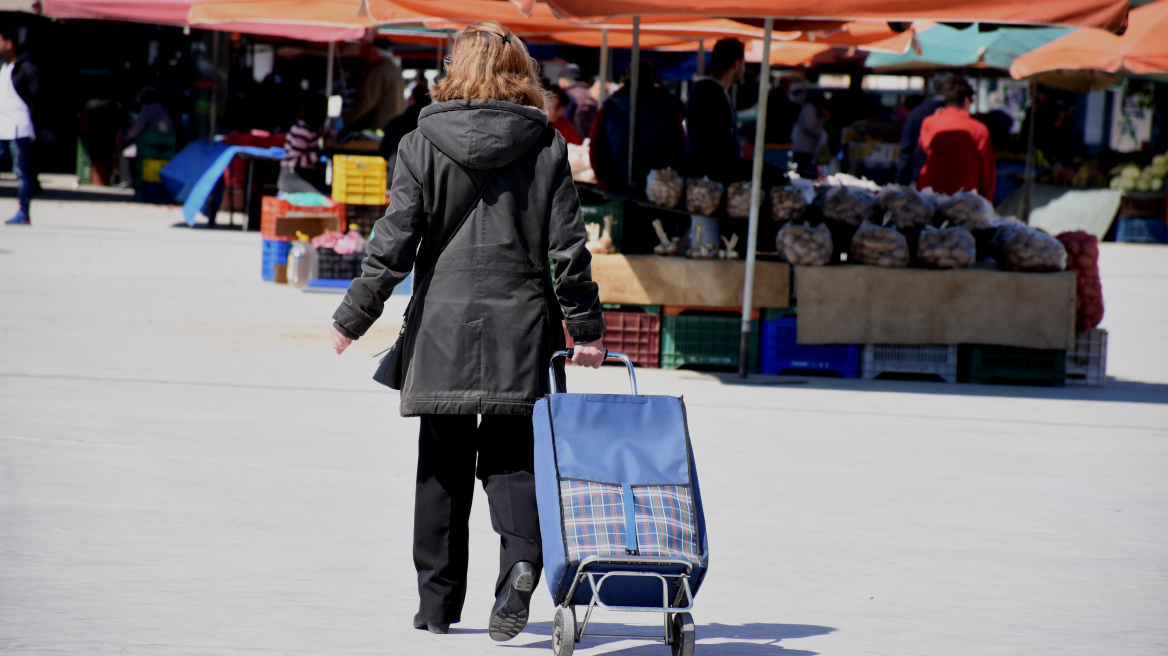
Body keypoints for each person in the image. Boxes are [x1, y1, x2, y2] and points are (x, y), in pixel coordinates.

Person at [328, 20, 606, 642]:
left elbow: (394, 240)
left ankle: (435, 607)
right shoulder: (547, 145)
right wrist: (585, 328)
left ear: (457, 68)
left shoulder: (420, 142)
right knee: (512, 461)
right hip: (522, 324)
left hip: (442, 327)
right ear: (520, 72)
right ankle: (522, 562)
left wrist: (354, 314)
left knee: (441, 466)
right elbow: (568, 251)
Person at [588, 60, 685, 194]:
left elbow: (596, 150)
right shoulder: (669, 107)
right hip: (659, 188)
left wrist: (606, 183)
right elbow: (679, 148)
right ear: (652, 78)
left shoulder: (609, 108)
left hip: (618, 185)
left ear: (625, 78)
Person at [918, 77, 996, 199]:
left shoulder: (929, 122)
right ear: (966, 101)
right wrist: (985, 201)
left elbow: (924, 146)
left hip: (931, 195)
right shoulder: (979, 129)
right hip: (966, 198)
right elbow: (987, 172)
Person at [685, 38, 750, 182]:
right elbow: (705, 145)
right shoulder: (710, 95)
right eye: (744, 64)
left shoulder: (711, 92)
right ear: (736, 64)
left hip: (711, 181)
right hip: (710, 184)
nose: (744, 69)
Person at [0, 26, 39, 225]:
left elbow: (37, 97)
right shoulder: (4, 68)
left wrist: (31, 120)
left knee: (21, 171)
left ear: (9, 43)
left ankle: (24, 212)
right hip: (2, 128)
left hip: (18, 128)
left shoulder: (26, 67)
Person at [894, 72, 950, 186]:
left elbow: (906, 150)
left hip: (919, 177)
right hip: (949, 181)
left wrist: (900, 182)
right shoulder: (955, 116)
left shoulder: (917, 113)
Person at [340, 45, 405, 137]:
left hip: (378, 128)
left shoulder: (378, 71)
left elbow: (366, 101)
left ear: (375, 52)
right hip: (392, 127)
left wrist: (346, 119)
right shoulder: (396, 70)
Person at [379, 82, 432, 182]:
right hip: (427, 180)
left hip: (397, 180)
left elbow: (383, 154)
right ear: (429, 102)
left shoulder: (395, 123)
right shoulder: (434, 124)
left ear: (410, 99)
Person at [279, 93, 329, 194]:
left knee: (331, 193)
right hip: (292, 176)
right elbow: (294, 163)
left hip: (307, 176)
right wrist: (319, 154)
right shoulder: (302, 130)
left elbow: (331, 135)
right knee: (322, 198)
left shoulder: (316, 129)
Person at [790, 95, 828, 177]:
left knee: (808, 172)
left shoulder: (813, 110)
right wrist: (821, 133)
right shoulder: (810, 109)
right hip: (803, 149)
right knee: (805, 173)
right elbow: (809, 126)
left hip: (807, 149)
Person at [557, 63, 598, 141]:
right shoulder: (589, 94)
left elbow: (564, 119)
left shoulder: (568, 96)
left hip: (574, 140)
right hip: (590, 139)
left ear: (563, 81)